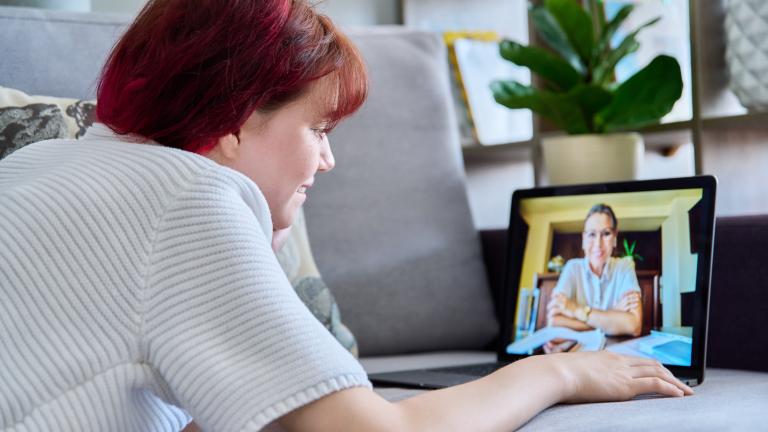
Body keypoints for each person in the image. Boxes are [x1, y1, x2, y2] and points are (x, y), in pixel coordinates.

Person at [0, 1, 692, 431]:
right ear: (237, 120)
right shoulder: (189, 200)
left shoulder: (37, 169)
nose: (326, 162)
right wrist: (559, 375)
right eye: (320, 130)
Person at [545, 204, 643, 353]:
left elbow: (634, 325)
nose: (598, 244)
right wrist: (613, 315)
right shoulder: (572, 268)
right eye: (591, 234)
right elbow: (554, 321)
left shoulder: (625, 266)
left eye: (606, 233)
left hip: (614, 356)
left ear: (615, 237)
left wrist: (575, 310)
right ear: (584, 239)